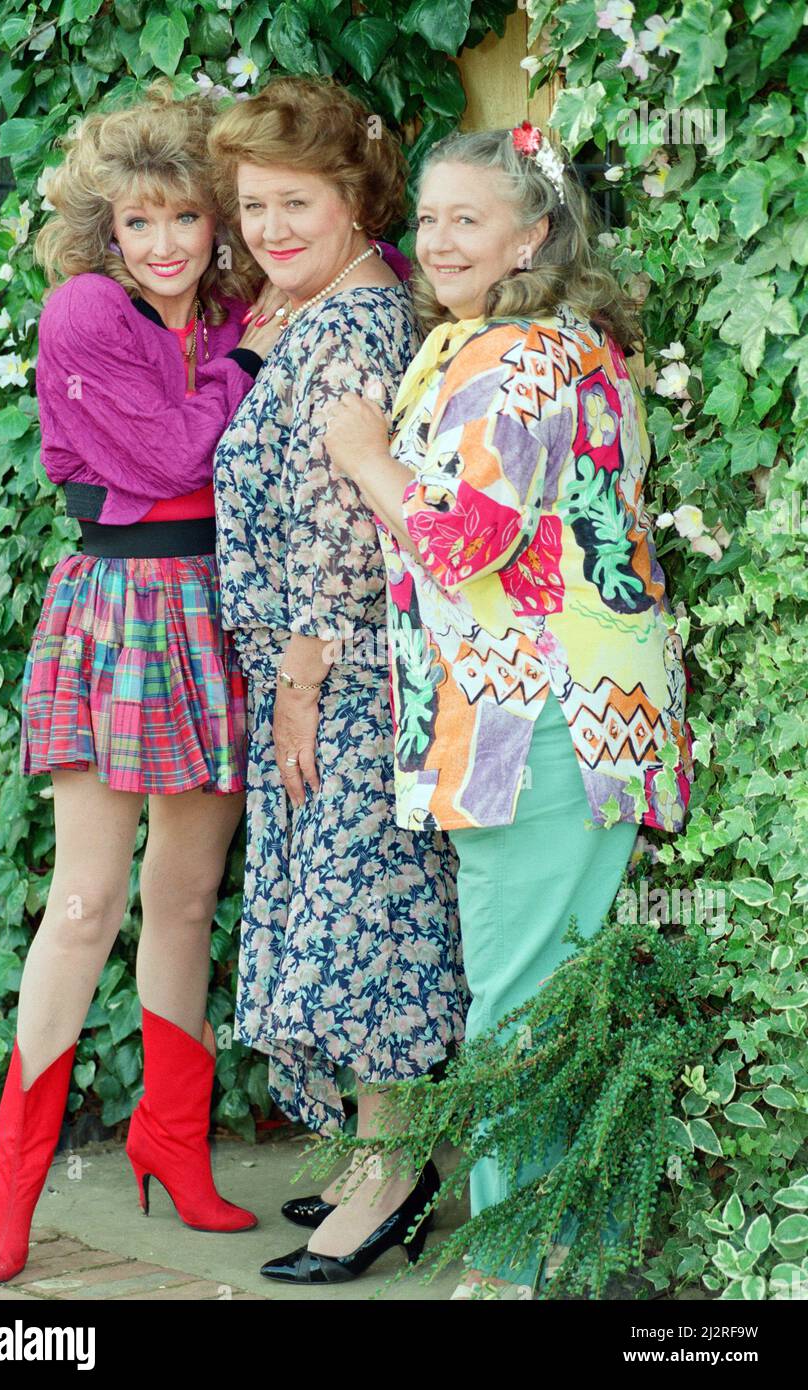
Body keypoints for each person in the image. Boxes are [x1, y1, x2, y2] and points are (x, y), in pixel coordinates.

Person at [324, 122, 694, 1298]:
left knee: (521, 1012)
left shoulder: (519, 357)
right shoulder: (530, 343)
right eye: (427, 219)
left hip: (534, 723)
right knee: (554, 1000)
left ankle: (506, 1275)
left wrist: (362, 452)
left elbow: (463, 538)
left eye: (466, 219)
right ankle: (557, 1264)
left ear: (532, 233)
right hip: (574, 719)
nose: (436, 240)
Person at [0, 82, 285, 1284]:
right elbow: (164, 454)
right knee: (86, 904)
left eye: (187, 220)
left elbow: (373, 251)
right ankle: (18, 1174)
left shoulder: (228, 309)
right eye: (138, 222)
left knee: (190, 897)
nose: (163, 245)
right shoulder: (85, 311)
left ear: (219, 225)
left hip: (217, 608)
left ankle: (174, 1142)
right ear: (107, 231)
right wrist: (248, 357)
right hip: (118, 608)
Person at [207, 76, 467, 1285]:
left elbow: (345, 523)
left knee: (367, 926)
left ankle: (399, 1172)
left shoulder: (351, 327)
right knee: (346, 921)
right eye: (254, 205)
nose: (268, 229)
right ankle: (375, 1159)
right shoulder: (328, 311)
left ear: (356, 199)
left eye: (294, 202)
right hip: (322, 674)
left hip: (348, 678)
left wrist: (302, 677)